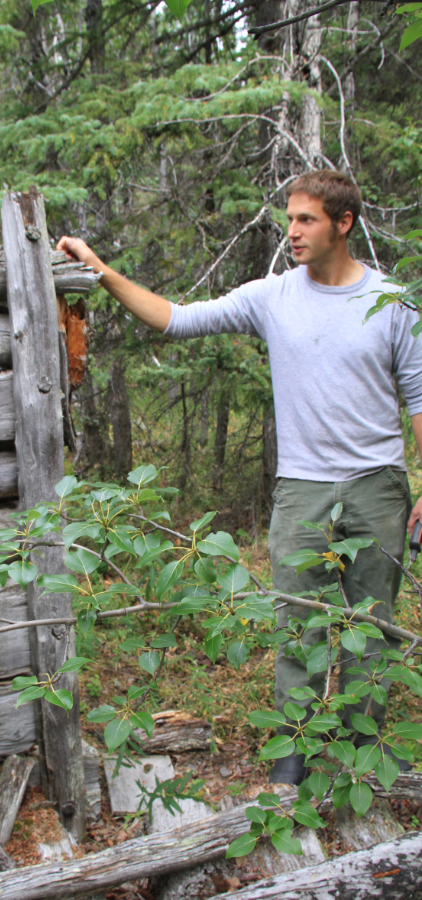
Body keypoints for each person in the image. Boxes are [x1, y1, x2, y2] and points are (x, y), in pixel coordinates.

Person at [57, 169, 422, 784]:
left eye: (306, 219)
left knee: (373, 632)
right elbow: (174, 318)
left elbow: (419, 398)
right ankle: (291, 770)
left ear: (344, 223)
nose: (293, 232)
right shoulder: (272, 297)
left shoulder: (393, 303)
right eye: (289, 219)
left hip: (378, 485)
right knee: (297, 627)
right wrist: (100, 269)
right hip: (302, 489)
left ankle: (361, 769)